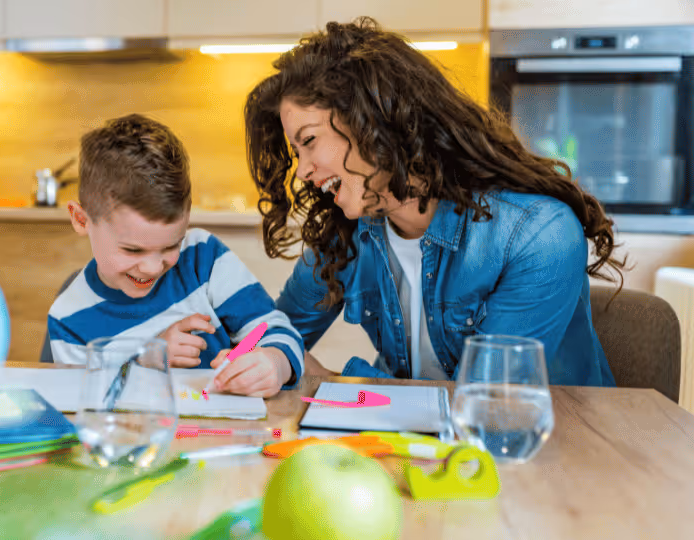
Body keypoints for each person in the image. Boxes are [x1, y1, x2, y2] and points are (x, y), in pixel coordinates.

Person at [243, 17, 627, 386]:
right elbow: (270, 336)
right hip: (412, 449)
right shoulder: (346, 235)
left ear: (371, 121)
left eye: (309, 142)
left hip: (549, 450)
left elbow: (486, 411)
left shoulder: (538, 235)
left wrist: (340, 384)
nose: (302, 172)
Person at [47, 114, 304, 397]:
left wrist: (275, 363)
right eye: (132, 249)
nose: (153, 267)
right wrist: (148, 360)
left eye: (171, 246)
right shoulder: (68, 320)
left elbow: (276, 329)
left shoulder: (202, 258)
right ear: (82, 220)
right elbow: (87, 405)